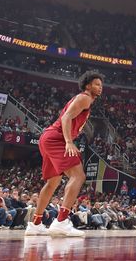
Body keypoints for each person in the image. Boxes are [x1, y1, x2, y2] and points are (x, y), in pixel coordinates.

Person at [26, 71, 104, 237]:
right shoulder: (85, 97)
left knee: (53, 182)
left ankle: (35, 224)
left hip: (47, 138)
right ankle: (61, 221)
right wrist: (69, 141)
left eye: (101, 85)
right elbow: (66, 117)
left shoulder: (84, 99)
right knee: (78, 176)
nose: (100, 87)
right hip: (57, 138)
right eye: (97, 84)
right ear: (88, 85)